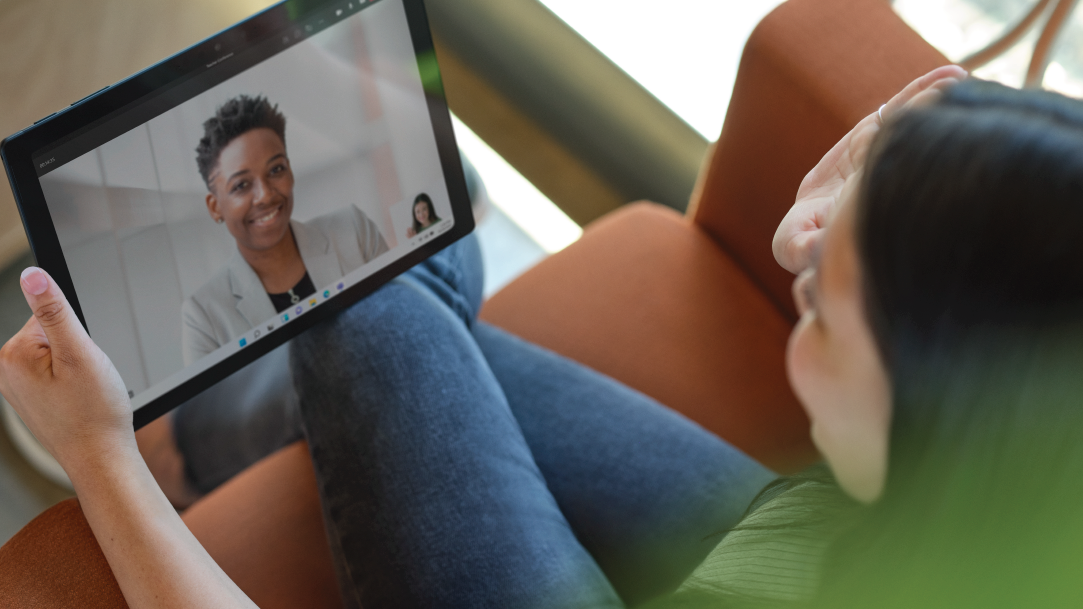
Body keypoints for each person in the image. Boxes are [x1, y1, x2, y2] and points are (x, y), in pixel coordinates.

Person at [7, 65, 1083, 608]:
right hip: (795, 549)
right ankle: (200, 432)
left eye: (821, 307)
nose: (797, 249)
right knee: (422, 214)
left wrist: (97, 452)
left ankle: (172, 445)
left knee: (376, 266)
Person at [183, 94, 390, 364]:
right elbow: (217, 407)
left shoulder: (354, 231)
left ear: (290, 171)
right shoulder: (204, 317)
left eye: (276, 169)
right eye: (241, 185)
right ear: (215, 207)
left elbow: (401, 328)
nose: (265, 195)